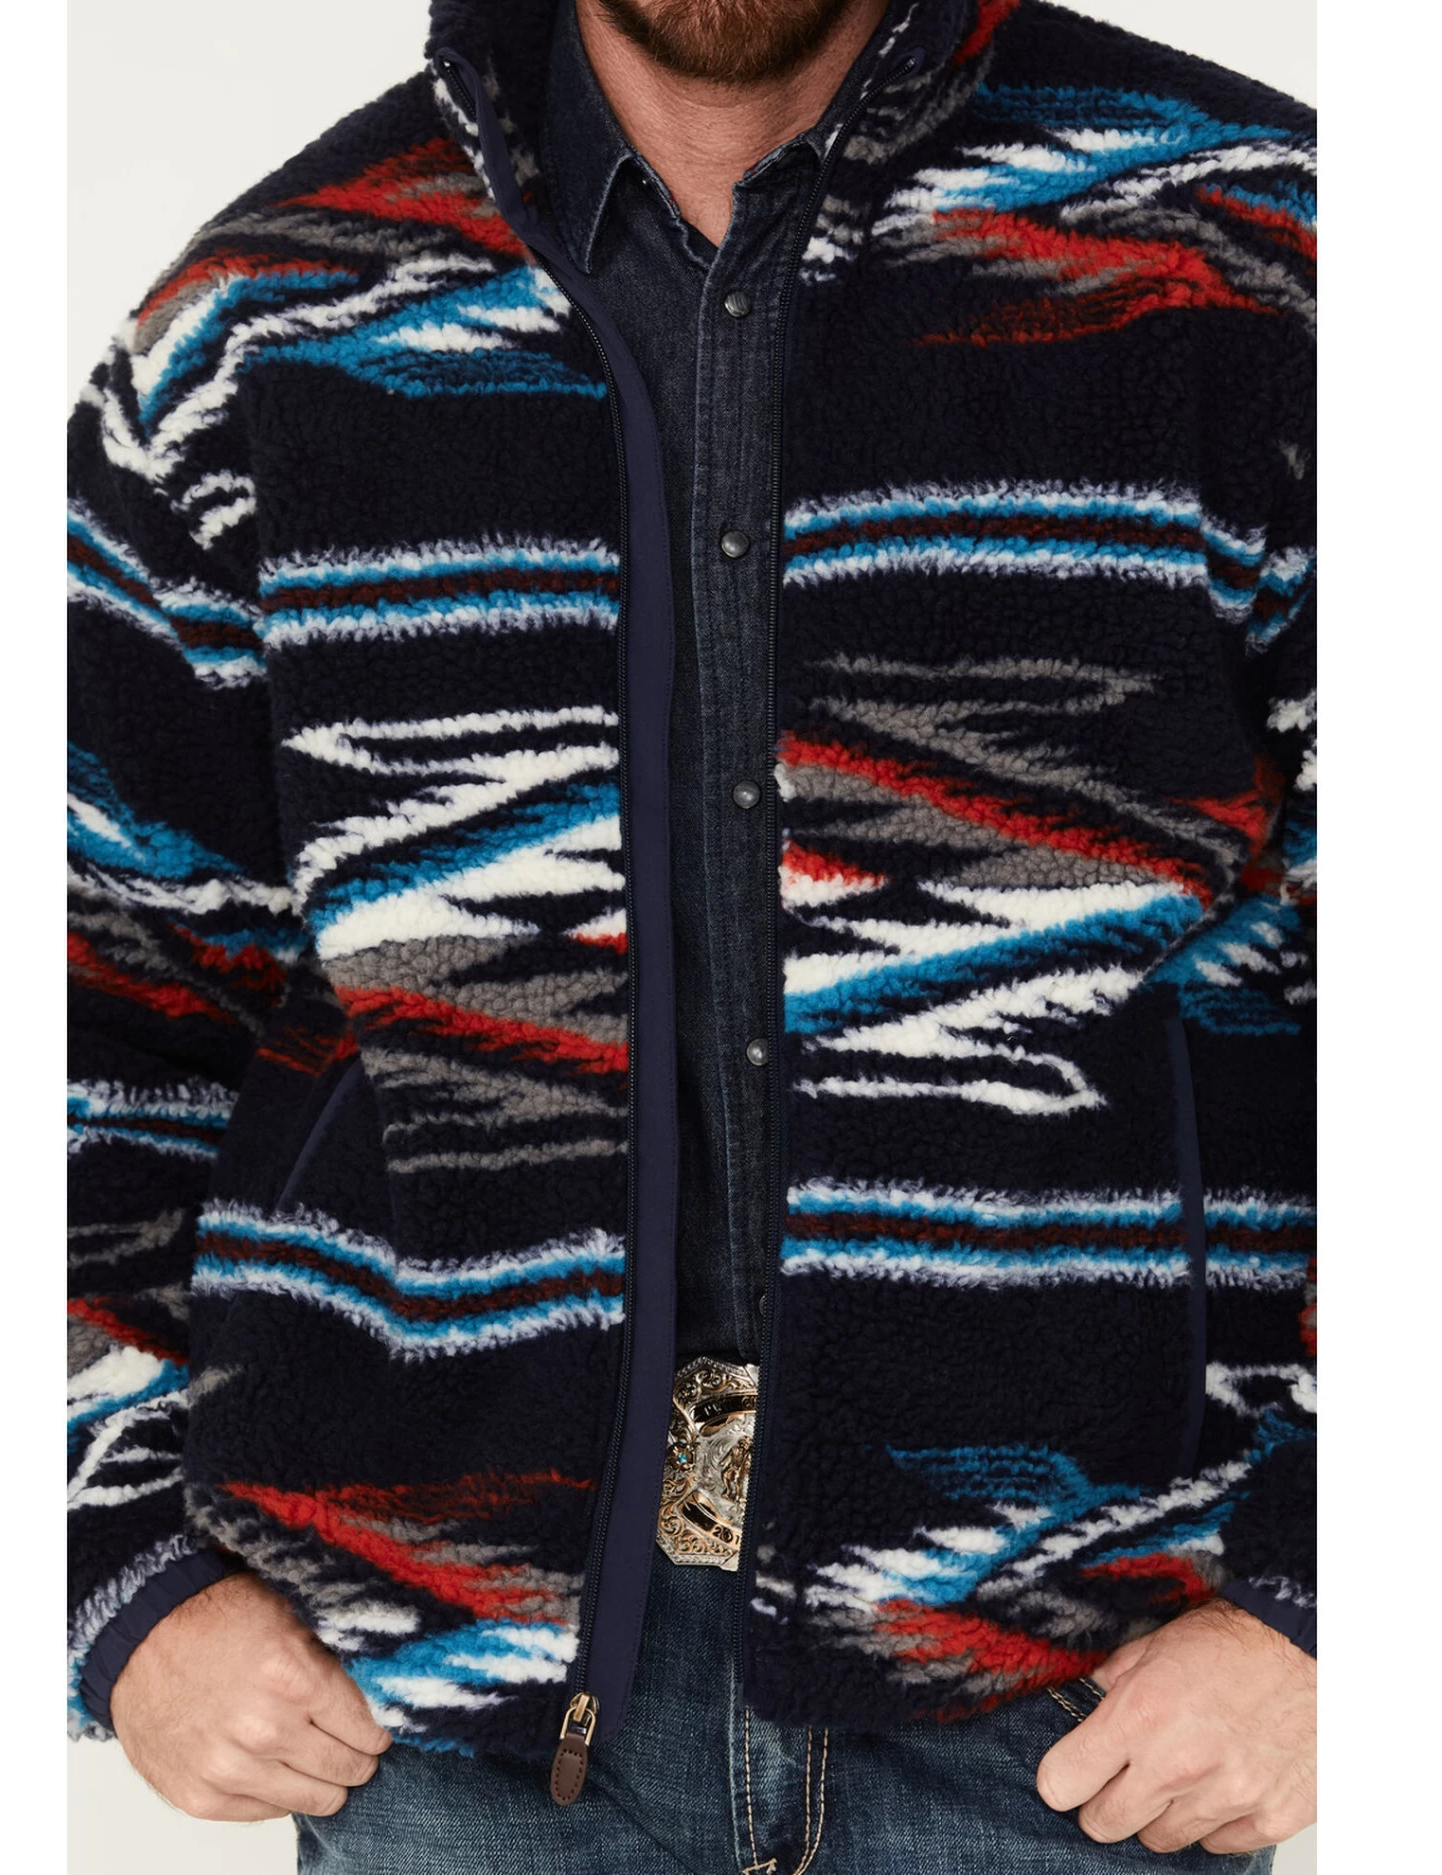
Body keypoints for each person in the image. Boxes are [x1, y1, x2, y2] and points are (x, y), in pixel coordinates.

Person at [66, 1, 1317, 1867]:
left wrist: (1336, 1591)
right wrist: (114, 1567)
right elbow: (78, 1004)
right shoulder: (263, 331)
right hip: (448, 1735)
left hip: (1081, 1708)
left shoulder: (1263, 258)